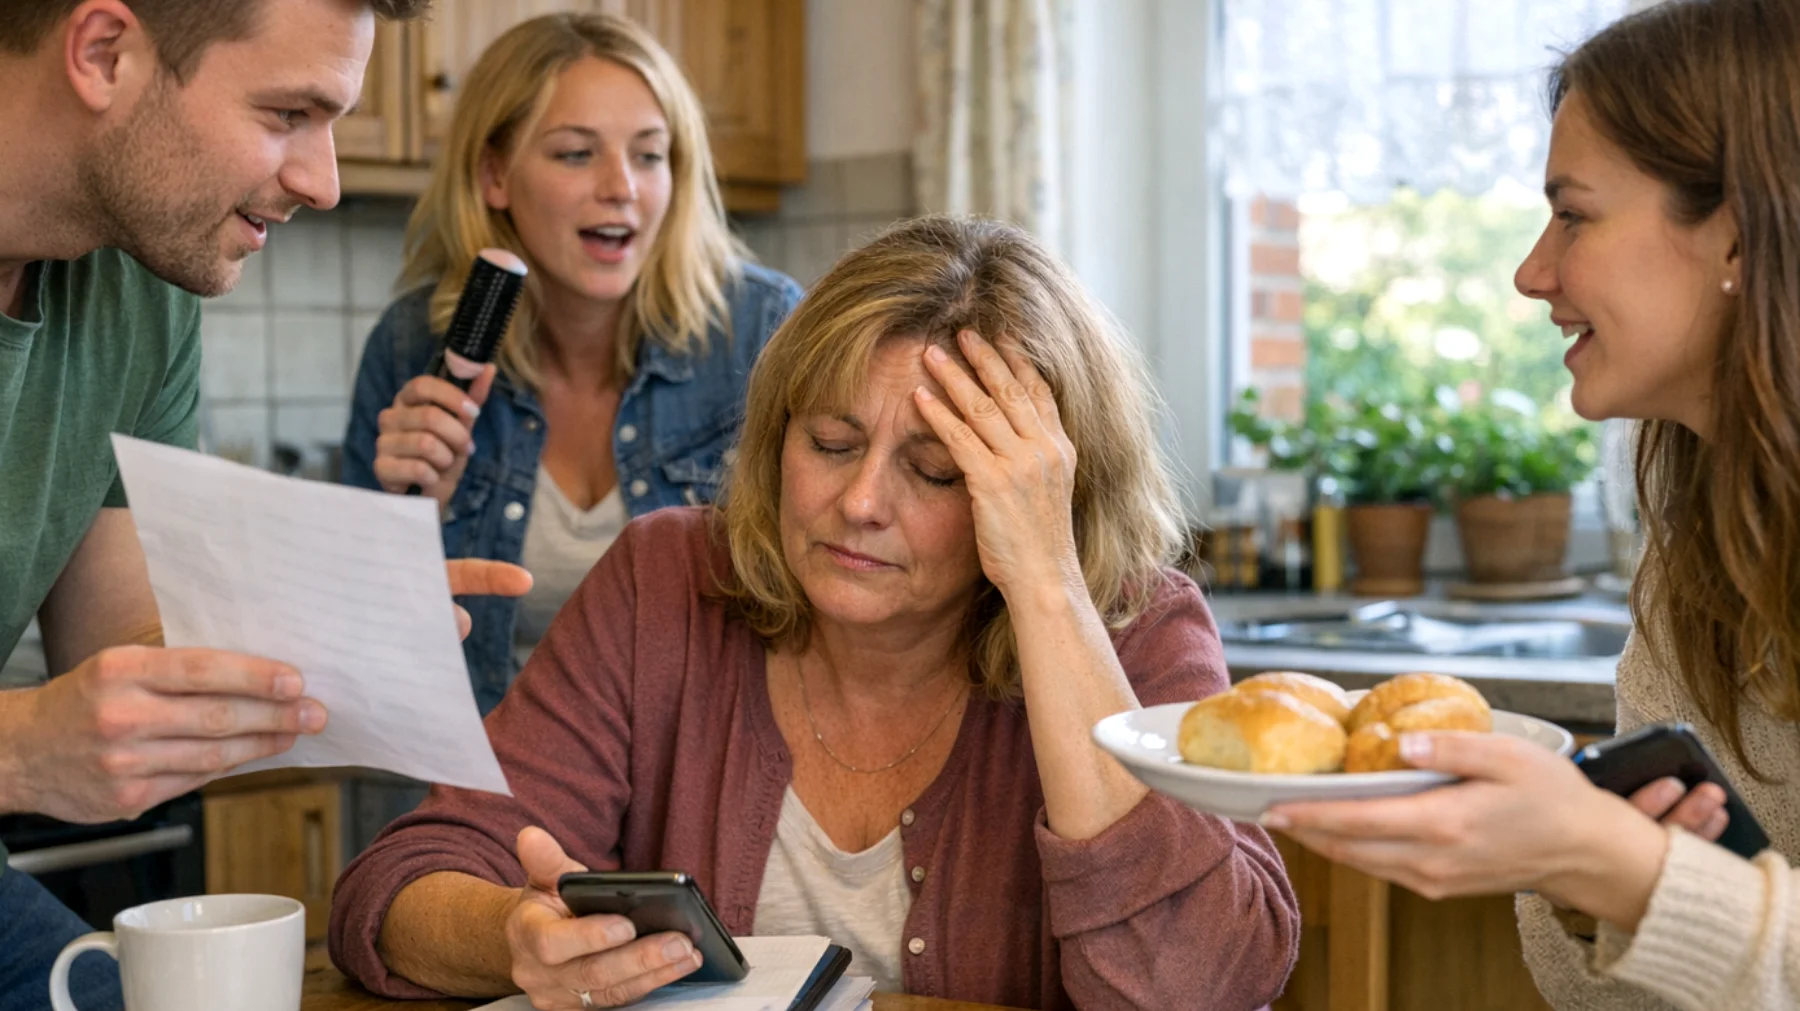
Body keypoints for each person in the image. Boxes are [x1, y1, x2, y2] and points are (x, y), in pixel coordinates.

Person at [329, 215, 1300, 1010]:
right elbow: (398, 886)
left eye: (934, 471)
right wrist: (516, 940)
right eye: (831, 443)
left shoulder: (1138, 630)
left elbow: (1198, 988)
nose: (862, 502)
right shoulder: (666, 582)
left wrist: (1047, 588)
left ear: (1041, 493)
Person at [1263, 2, 1800, 1008]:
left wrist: (1627, 873)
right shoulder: (1690, 559)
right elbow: (1592, 996)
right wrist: (1588, 872)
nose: (1530, 272)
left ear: (1734, 232)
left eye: (1575, 214)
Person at [0, 2, 529, 1008]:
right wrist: (21, 750)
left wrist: (325, 629)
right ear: (103, 53)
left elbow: (113, 645)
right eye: (288, 111)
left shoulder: (146, 290)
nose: (323, 180)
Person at [343, 12, 803, 714]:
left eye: (649, 155)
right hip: (491, 782)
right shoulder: (414, 349)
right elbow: (361, 645)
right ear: (494, 174)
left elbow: (825, 599)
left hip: (699, 787)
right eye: (575, 154)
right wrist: (408, 520)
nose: (622, 186)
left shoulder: (763, 334)